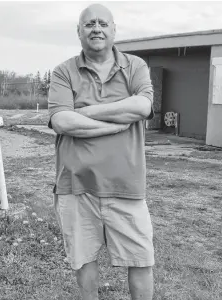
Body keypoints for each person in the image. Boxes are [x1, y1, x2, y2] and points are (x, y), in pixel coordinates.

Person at [47, 3, 155, 300]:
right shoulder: (63, 71)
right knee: (84, 261)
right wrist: (114, 125)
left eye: (103, 23)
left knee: (141, 260)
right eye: (89, 23)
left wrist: (87, 111)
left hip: (126, 185)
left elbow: (142, 106)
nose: (96, 28)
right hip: (76, 185)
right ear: (79, 31)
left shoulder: (135, 66)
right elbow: (62, 121)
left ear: (114, 29)